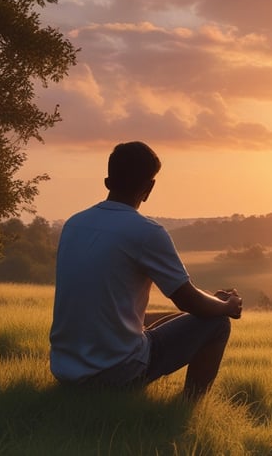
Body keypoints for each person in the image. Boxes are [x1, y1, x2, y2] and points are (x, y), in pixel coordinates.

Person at [50, 141, 242, 400]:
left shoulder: (74, 224)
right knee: (217, 324)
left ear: (107, 181)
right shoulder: (146, 232)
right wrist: (226, 306)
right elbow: (188, 301)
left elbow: (110, 306)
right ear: (149, 188)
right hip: (116, 372)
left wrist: (211, 302)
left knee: (165, 319)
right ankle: (186, 410)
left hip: (65, 370)